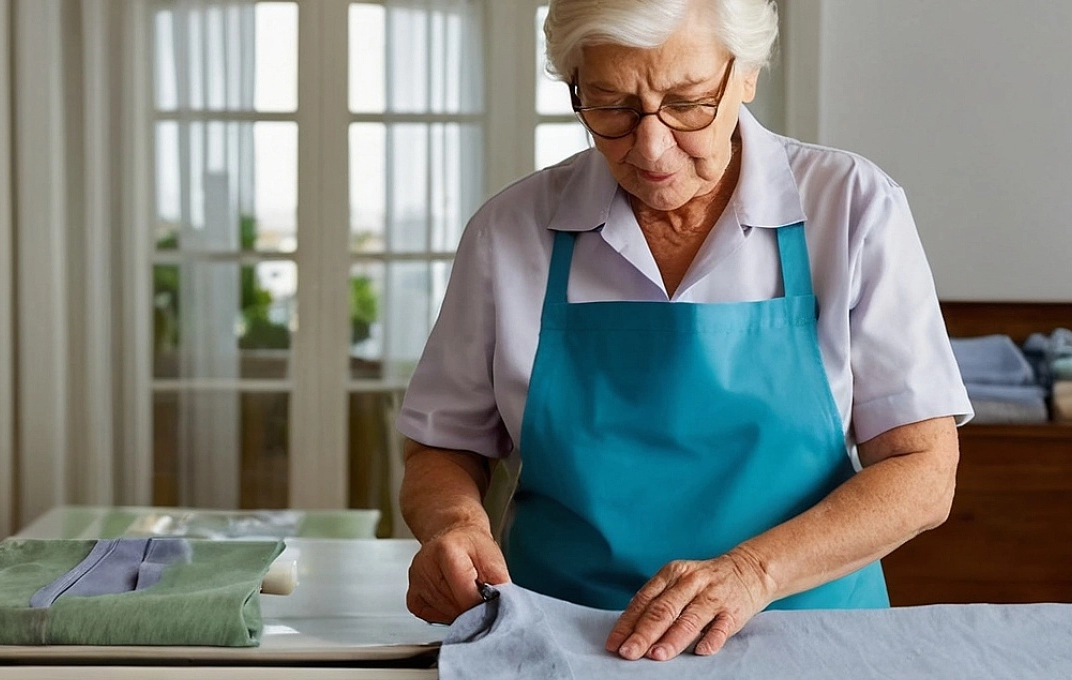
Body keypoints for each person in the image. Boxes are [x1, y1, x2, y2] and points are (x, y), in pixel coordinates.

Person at [395, 0, 973, 662]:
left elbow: (922, 469)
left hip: (811, 641)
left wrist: (752, 573)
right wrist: (455, 524)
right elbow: (440, 448)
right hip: (567, 642)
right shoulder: (510, 231)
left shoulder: (850, 206)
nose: (651, 147)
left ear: (746, 73)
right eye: (611, 106)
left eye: (688, 102)